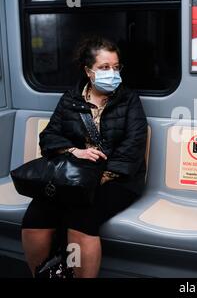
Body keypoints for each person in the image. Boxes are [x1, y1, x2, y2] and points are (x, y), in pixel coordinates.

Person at [21, 36, 148, 278]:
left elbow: (133, 147)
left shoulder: (129, 99)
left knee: (81, 214)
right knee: (37, 213)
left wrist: (98, 178)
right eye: (104, 67)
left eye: (116, 67)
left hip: (118, 179)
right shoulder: (71, 99)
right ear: (88, 71)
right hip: (75, 176)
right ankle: (45, 274)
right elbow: (49, 137)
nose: (112, 73)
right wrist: (73, 151)